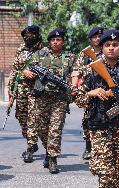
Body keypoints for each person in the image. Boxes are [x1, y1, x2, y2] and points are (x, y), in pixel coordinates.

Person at [75, 29, 119, 187]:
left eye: (115, 44)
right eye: (107, 45)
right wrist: (91, 93)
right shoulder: (91, 69)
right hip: (100, 129)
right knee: (106, 177)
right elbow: (77, 99)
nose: (111, 48)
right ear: (102, 47)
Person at [24, 28, 76, 174]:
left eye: (58, 39)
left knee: (55, 129)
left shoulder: (70, 57)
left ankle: (53, 159)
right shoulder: (39, 55)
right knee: (41, 128)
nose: (55, 42)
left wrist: (73, 85)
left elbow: (75, 72)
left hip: (59, 99)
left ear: (63, 42)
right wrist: (27, 73)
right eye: (53, 40)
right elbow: (27, 69)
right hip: (41, 97)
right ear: (49, 41)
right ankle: (48, 150)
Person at [7, 25, 42, 158]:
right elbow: (15, 70)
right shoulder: (20, 50)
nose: (28, 37)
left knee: (32, 117)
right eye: (25, 35)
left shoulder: (44, 51)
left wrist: (32, 73)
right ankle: (30, 141)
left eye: (31, 34)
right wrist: (10, 89)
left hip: (36, 89)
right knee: (21, 116)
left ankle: (31, 147)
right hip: (21, 89)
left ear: (37, 35)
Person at [71, 27, 103, 160]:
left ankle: (102, 147)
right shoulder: (85, 54)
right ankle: (89, 146)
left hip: (104, 87)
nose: (97, 39)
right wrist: (73, 87)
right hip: (88, 89)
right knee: (88, 118)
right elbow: (76, 71)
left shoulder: (107, 51)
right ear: (91, 39)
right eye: (95, 37)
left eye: (99, 36)